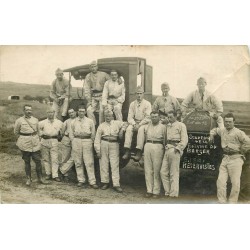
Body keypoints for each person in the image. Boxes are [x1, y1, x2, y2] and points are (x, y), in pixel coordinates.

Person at [209, 113, 250, 203]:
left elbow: (248, 142)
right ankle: (222, 201)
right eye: (226, 122)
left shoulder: (238, 132)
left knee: (235, 183)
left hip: (236, 159)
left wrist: (242, 150)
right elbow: (215, 130)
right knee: (220, 181)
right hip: (225, 158)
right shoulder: (222, 131)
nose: (227, 123)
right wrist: (211, 135)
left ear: (233, 122)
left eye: (230, 122)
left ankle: (232, 202)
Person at [14, 104, 48, 186]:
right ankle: (28, 178)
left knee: (38, 161)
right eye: (27, 110)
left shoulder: (35, 120)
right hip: (25, 144)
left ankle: (40, 178)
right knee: (27, 161)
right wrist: (23, 139)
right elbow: (16, 132)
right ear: (24, 111)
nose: (29, 111)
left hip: (35, 143)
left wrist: (37, 139)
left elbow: (38, 131)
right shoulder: (19, 120)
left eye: (30, 110)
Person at [135, 111, 166, 198]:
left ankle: (156, 191)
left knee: (157, 170)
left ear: (159, 117)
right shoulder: (147, 126)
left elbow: (165, 140)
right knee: (148, 169)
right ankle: (149, 190)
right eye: (152, 117)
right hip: (148, 145)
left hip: (158, 146)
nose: (154, 118)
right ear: (150, 117)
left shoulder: (163, 127)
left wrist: (164, 151)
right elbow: (144, 137)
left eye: (156, 117)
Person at [94, 110, 127, 193]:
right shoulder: (101, 126)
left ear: (113, 116)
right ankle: (105, 182)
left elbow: (125, 123)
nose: (108, 118)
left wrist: (121, 130)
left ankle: (116, 184)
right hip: (104, 143)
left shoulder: (117, 123)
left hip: (114, 144)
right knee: (104, 163)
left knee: (114, 164)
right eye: (106, 116)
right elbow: (97, 139)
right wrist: (98, 150)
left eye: (110, 116)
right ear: (104, 117)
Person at [160, 111, 188, 199]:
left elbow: (184, 139)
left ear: (176, 117)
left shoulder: (181, 125)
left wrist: (178, 148)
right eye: (168, 117)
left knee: (173, 172)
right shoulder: (167, 126)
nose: (169, 119)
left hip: (175, 149)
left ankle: (174, 194)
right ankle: (167, 191)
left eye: (171, 117)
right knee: (163, 172)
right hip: (167, 148)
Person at [69, 105, 98, 189]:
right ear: (77, 112)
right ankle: (81, 180)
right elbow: (71, 133)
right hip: (77, 140)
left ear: (85, 112)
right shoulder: (73, 121)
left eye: (83, 111)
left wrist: (90, 141)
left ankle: (92, 181)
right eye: (79, 111)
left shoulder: (90, 121)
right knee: (78, 161)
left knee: (89, 162)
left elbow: (93, 133)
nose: (81, 113)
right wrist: (73, 141)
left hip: (87, 141)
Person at [122, 86, 152, 160]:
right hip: (134, 122)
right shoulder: (132, 104)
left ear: (143, 94)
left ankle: (139, 151)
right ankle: (127, 150)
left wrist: (140, 124)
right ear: (135, 94)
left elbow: (148, 117)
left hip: (143, 123)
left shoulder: (147, 104)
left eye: (140, 93)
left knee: (141, 130)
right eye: (137, 93)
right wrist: (134, 124)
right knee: (129, 129)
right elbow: (130, 116)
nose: (139, 95)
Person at [39, 107, 63, 182]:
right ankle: (48, 173)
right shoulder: (42, 122)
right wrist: (41, 134)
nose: (50, 114)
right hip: (44, 141)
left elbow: (63, 130)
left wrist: (60, 136)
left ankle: (55, 175)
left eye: (52, 112)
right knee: (46, 159)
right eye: (49, 112)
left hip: (54, 140)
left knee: (55, 159)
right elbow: (38, 131)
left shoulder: (59, 122)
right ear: (47, 113)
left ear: (54, 113)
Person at [84, 61, 110, 125]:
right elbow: (86, 89)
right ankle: (93, 125)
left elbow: (111, 79)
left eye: (94, 66)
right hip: (94, 97)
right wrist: (89, 101)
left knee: (102, 111)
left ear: (97, 67)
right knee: (89, 110)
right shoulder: (88, 76)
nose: (93, 68)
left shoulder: (103, 74)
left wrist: (119, 79)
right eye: (92, 67)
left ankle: (101, 126)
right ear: (90, 68)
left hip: (102, 96)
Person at [59, 108, 76, 181]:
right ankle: (65, 175)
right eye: (70, 113)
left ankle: (62, 170)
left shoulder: (79, 120)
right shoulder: (66, 121)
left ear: (75, 112)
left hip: (76, 140)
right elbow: (62, 132)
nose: (71, 114)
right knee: (65, 157)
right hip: (67, 139)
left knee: (75, 157)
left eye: (72, 112)